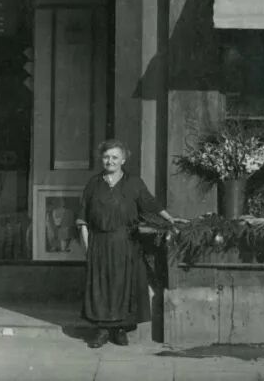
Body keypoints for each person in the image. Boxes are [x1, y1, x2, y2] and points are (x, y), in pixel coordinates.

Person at [76, 139, 184, 348]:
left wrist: (170, 219)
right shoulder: (93, 184)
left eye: (115, 157)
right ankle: (102, 331)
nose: (110, 161)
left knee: (123, 286)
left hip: (126, 243)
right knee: (101, 287)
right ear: (101, 159)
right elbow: (83, 218)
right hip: (99, 243)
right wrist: (87, 248)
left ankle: (120, 330)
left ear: (123, 160)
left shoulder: (133, 183)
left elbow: (150, 203)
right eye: (106, 157)